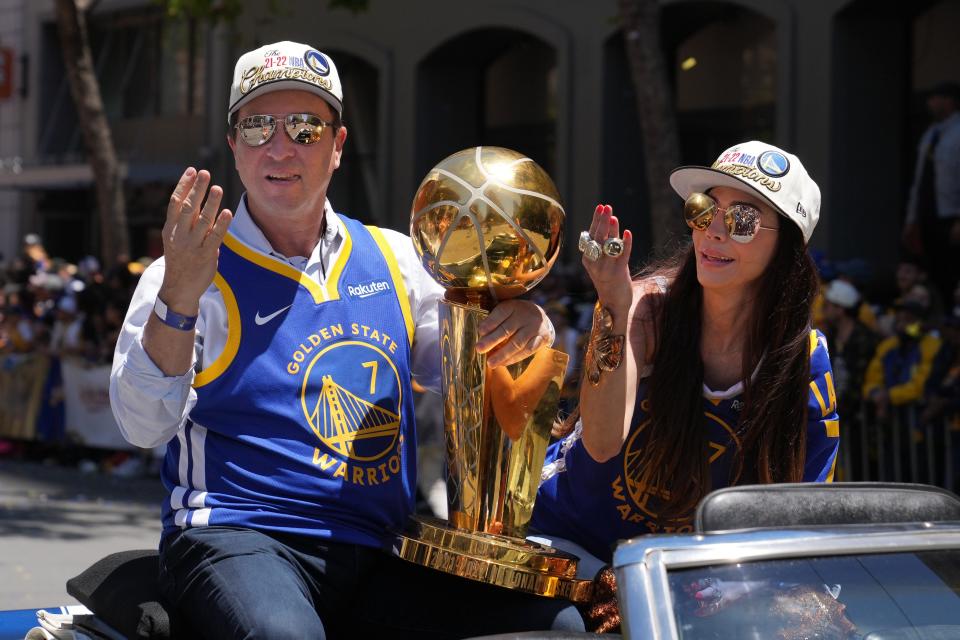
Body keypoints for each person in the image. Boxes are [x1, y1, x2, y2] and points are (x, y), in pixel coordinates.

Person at [110, 41, 580, 639]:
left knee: (556, 623)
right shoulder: (185, 270)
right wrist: (178, 297)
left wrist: (524, 322)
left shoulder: (400, 258)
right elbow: (142, 425)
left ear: (337, 146)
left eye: (305, 128)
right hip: (239, 535)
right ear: (234, 145)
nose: (280, 146)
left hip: (376, 545)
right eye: (258, 126)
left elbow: (477, 373)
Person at [531, 141, 840, 626]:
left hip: (682, 579)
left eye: (742, 219)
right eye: (703, 210)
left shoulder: (804, 359)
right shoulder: (649, 308)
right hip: (572, 546)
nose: (714, 231)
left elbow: (799, 526)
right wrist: (613, 302)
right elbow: (601, 441)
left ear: (788, 244)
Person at [903, 82, 960, 304]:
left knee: (952, 271)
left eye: (936, 98)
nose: (930, 103)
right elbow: (919, 181)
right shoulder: (930, 134)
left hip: (951, 216)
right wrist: (912, 218)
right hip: (928, 215)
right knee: (934, 272)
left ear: (949, 101)